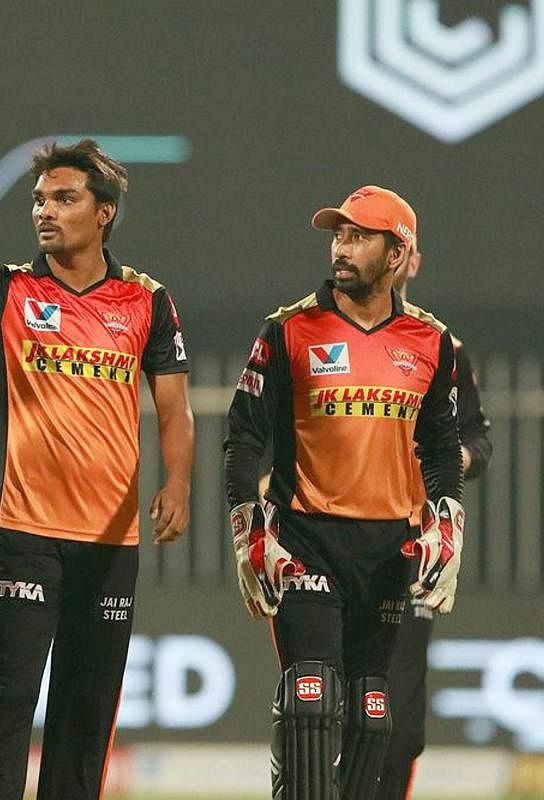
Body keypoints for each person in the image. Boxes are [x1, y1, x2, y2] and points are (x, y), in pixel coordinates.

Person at [0, 123, 194, 800]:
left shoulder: (147, 301)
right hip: (26, 538)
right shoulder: (7, 291)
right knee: (10, 714)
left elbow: (173, 407)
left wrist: (178, 482)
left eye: (62, 198)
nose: (44, 212)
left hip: (111, 545)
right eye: (38, 200)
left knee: (85, 727)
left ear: (103, 212)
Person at [223, 185, 465, 800]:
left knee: (371, 712)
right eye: (339, 234)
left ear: (396, 253)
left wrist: (448, 524)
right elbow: (243, 438)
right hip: (306, 539)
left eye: (359, 236)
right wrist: (247, 530)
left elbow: (440, 450)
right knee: (312, 703)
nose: (342, 247)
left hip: (390, 552)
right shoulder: (288, 329)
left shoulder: (430, 341)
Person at [377, 248, 492, 800]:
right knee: (322, 709)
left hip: (414, 549)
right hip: (330, 544)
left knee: (401, 729)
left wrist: (447, 461)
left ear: (411, 262)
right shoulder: (307, 334)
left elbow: (478, 440)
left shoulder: (443, 348)